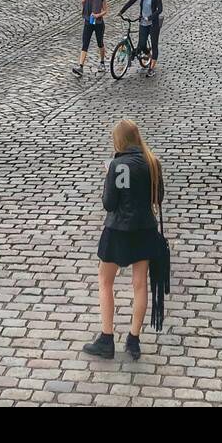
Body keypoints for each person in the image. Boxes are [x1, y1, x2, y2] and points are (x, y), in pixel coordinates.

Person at [83, 120, 165, 361]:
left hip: (118, 231)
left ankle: (106, 339)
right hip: (145, 229)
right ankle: (133, 339)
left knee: (105, 281)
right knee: (140, 284)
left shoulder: (118, 166)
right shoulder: (152, 162)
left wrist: (108, 176)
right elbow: (158, 198)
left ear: (119, 140)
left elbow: (109, 203)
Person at [119, 0, 163, 78]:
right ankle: (149, 56)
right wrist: (121, 11)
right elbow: (132, 1)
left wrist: (150, 17)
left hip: (153, 24)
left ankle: (151, 69)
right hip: (143, 23)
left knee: (154, 44)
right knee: (142, 45)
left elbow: (160, 9)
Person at [73, 0, 108, 76]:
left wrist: (98, 15)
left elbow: (105, 10)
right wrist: (83, 2)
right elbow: (85, 9)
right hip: (88, 22)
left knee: (100, 43)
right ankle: (80, 66)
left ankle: (102, 62)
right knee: (85, 43)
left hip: (98, 23)